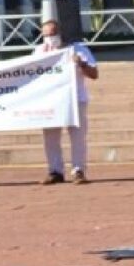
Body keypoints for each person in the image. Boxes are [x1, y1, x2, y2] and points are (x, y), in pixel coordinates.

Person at [33, 19, 98, 185]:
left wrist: (81, 64)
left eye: (53, 34)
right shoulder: (39, 51)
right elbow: (31, 75)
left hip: (75, 100)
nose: (50, 38)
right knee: (50, 138)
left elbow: (94, 74)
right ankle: (55, 171)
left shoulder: (77, 49)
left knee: (78, 137)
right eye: (46, 35)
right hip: (51, 102)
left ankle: (78, 170)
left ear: (60, 34)